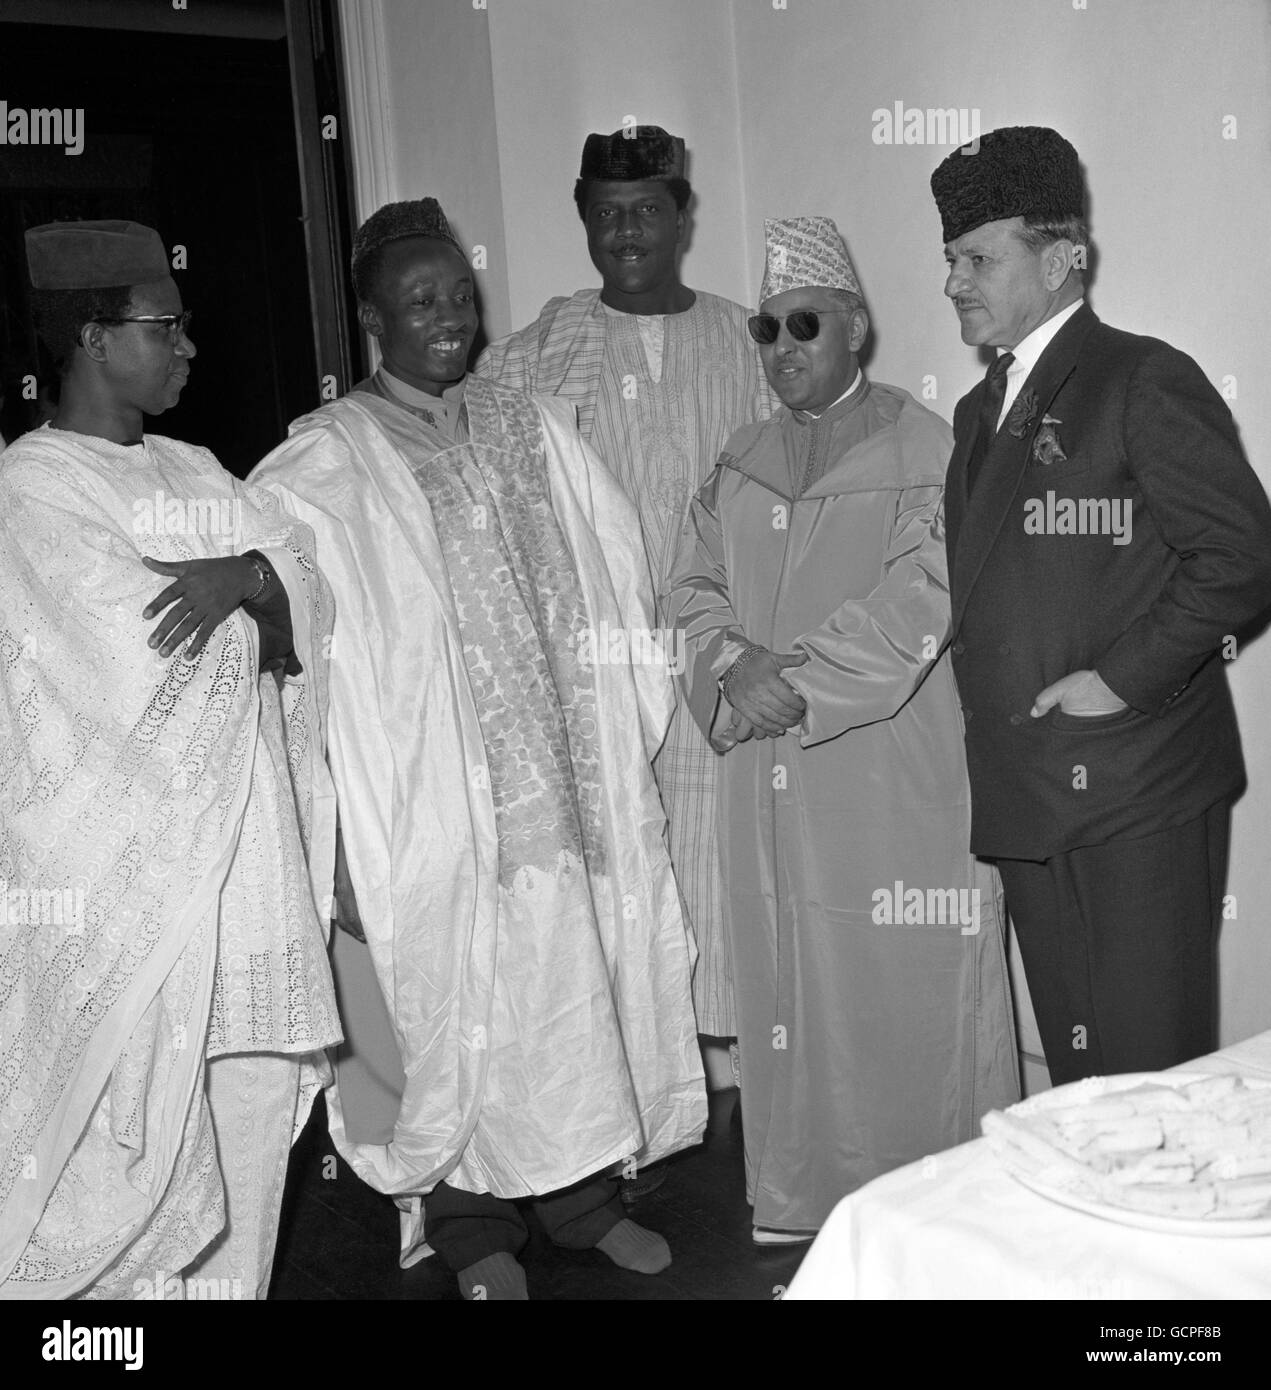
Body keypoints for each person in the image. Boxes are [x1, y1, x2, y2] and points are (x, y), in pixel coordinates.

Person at [251, 198, 707, 1300]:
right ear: (371, 316)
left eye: (459, 294)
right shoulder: (325, 461)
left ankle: (584, 1199)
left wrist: (613, 713)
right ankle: (468, 1227)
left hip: (557, 774)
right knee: (461, 1005)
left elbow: (610, 561)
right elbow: (298, 642)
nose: (448, 316)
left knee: (572, 985)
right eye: (420, 300)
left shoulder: (526, 420)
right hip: (433, 796)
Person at [0, 220, 340, 1299]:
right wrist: (246, 593)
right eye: (165, 326)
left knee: (244, 1123)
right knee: (124, 1147)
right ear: (93, 337)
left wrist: (244, 574)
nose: (188, 346)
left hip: (246, 877)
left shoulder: (193, 467)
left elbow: (301, 597)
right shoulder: (32, 490)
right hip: (129, 902)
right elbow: (128, 656)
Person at [667, 216, 1018, 1241]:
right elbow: (687, 585)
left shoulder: (925, 447)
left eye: (804, 325)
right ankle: (801, 1219)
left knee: (896, 998)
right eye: (765, 329)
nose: (782, 348)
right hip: (766, 783)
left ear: (855, 330)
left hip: (885, 783)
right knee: (789, 989)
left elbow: (928, 593)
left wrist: (797, 682)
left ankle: (929, 1227)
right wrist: (732, 665)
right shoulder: (737, 461)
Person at [929, 126, 1271, 1084]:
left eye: (979, 256)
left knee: (1146, 1081)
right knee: (1081, 1086)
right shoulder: (973, 412)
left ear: (1061, 257)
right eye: (950, 258)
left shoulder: (1140, 376)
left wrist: (1114, 683)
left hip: (1133, 785)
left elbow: (1241, 555)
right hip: (1028, 791)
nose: (955, 280)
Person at [479, 125, 771, 1070]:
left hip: (716, 650)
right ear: (583, 219)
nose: (627, 232)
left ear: (682, 217)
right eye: (606, 215)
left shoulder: (745, 337)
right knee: (620, 873)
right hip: (596, 666)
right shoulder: (538, 351)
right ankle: (637, 1078)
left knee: (722, 870)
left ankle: (725, 1064)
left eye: (647, 210)